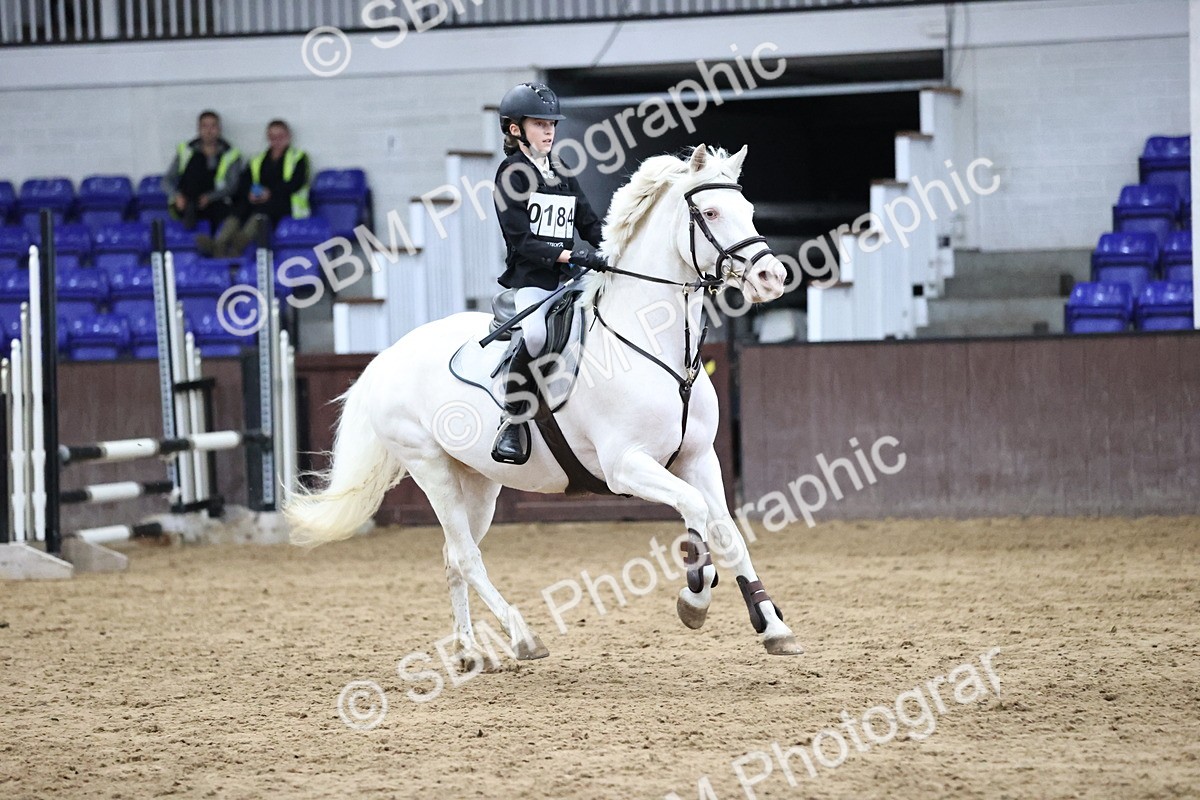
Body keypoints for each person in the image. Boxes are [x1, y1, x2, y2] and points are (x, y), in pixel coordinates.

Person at [490, 82, 610, 464]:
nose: (549, 131)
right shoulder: (511, 176)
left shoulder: (560, 171)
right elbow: (522, 241)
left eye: (552, 124)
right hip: (533, 281)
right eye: (540, 124)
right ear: (516, 129)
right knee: (537, 334)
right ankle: (512, 419)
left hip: (570, 279)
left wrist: (614, 248)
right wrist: (571, 255)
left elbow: (588, 222)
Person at [213, 119, 311, 258]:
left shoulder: (299, 157)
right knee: (240, 207)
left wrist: (269, 193)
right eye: (273, 137)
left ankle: (238, 244)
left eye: (280, 136)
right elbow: (244, 181)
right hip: (259, 200)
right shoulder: (257, 159)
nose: (277, 140)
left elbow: (296, 183)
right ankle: (219, 243)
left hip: (285, 204)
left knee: (263, 210)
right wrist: (250, 193)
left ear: (288, 136)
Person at [162, 111, 243, 245]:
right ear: (198, 129)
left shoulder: (231, 154)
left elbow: (232, 186)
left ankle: (210, 241)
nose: (209, 131)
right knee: (198, 163)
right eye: (205, 126)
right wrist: (177, 196)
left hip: (216, 201)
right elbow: (167, 181)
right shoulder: (186, 150)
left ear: (219, 129)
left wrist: (209, 197)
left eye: (213, 126)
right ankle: (191, 209)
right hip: (186, 200)